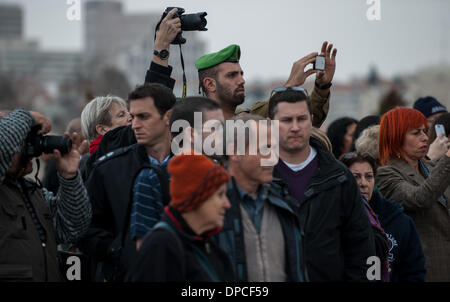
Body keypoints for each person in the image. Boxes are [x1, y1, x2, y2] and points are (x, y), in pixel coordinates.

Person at [267, 88, 375, 281]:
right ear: (270, 124)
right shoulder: (259, 176)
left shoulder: (339, 177)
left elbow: (361, 244)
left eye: (301, 119)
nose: (295, 127)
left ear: (312, 120)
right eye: (286, 120)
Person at [78, 83, 176, 282]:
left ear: (168, 117)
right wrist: (119, 250)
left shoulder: (193, 166)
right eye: (132, 116)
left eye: (143, 117)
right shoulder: (108, 169)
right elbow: (85, 229)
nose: (134, 124)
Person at [0, 109, 91, 281]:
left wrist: (69, 178)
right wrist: (29, 117)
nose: (31, 148)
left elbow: (73, 228)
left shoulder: (32, 191)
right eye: (22, 141)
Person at [212, 114, 304, 282]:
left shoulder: (284, 203)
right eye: (264, 149)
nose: (273, 158)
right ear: (235, 152)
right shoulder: (210, 209)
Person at [132, 154, 234, 281]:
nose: (227, 204)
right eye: (220, 195)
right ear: (197, 198)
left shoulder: (207, 245)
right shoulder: (162, 245)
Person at [376, 107, 450, 281]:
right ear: (396, 136)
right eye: (416, 133)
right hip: (424, 271)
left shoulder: (431, 168)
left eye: (424, 131)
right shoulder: (386, 174)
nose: (425, 137)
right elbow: (420, 198)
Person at [341, 152, 426, 282]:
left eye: (369, 177)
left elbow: (414, 272)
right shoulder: (333, 219)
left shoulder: (399, 221)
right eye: (356, 177)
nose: (363, 183)